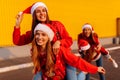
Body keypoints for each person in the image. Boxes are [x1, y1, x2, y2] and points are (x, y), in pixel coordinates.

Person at [13, 2, 75, 80]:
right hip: (47, 64)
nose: (42, 13)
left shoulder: (57, 24)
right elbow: (17, 41)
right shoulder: (36, 32)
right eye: (38, 11)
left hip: (65, 60)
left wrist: (59, 42)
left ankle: (83, 73)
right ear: (34, 15)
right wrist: (17, 24)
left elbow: (69, 40)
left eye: (43, 10)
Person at [31, 23, 105, 80]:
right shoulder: (34, 51)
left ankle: (83, 73)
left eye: (43, 35)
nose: (39, 37)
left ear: (48, 38)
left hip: (61, 72)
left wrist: (95, 68)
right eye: (37, 34)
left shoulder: (58, 50)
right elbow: (39, 67)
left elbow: (76, 60)